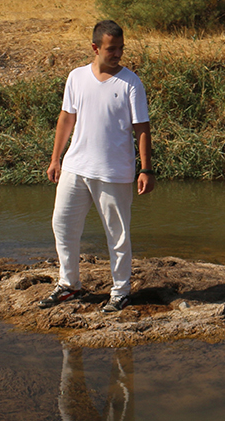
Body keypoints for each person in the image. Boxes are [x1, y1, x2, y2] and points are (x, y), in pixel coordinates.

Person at [41, 20, 155, 313]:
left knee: (117, 234)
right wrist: (56, 158)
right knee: (62, 225)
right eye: (111, 49)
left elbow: (142, 128)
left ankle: (120, 291)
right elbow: (67, 118)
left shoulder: (131, 83)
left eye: (120, 48)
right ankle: (69, 285)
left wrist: (146, 169)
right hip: (75, 166)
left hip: (114, 171)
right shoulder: (77, 77)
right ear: (95, 48)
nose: (117, 54)